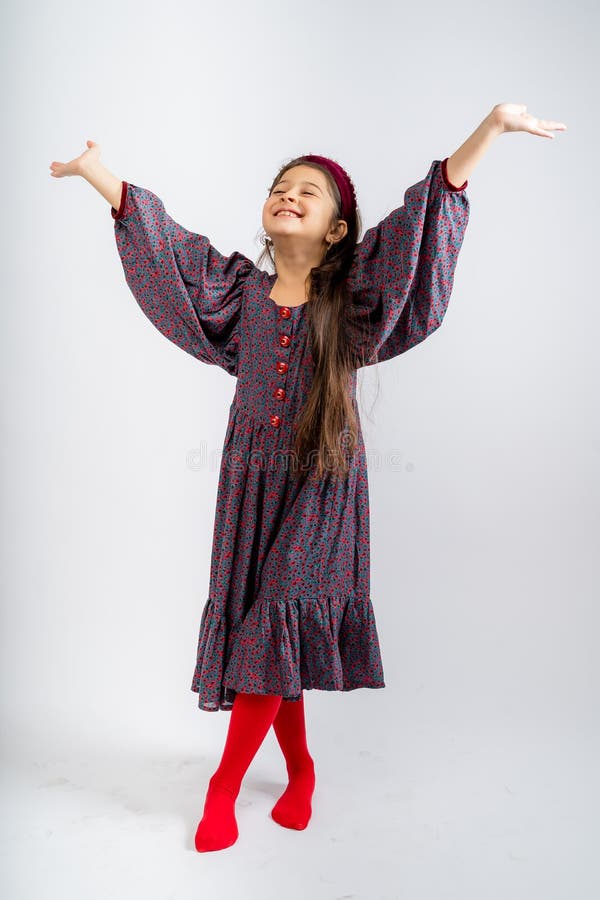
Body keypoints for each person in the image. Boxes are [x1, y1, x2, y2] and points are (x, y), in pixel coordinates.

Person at [49, 103, 567, 853]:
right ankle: (301, 768)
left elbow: (421, 221)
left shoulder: (353, 298)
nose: (289, 193)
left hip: (324, 489)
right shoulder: (236, 294)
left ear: (334, 230)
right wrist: (99, 173)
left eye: (309, 191)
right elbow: (169, 253)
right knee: (269, 636)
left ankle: (223, 786)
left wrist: (488, 130)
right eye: (280, 186)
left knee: (272, 624)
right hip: (250, 485)